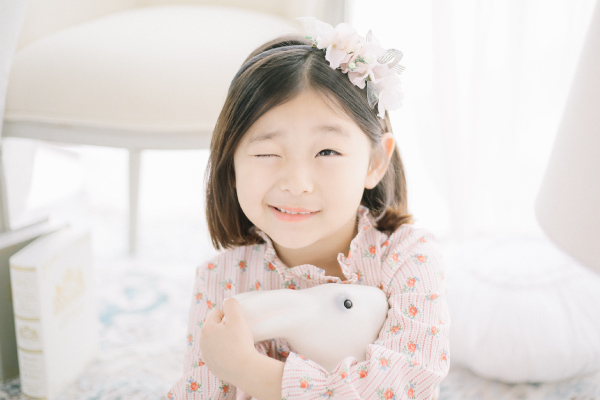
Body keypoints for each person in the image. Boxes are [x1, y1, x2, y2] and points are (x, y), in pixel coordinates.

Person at [168, 17, 450, 400]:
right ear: (230, 163)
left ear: (374, 163)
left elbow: (403, 386)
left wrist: (249, 371)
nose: (296, 182)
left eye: (327, 152)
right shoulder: (221, 278)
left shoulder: (408, 258)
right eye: (267, 152)